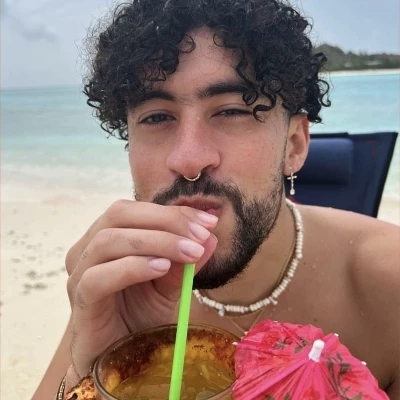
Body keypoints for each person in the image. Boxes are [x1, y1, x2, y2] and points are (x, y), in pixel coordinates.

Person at [32, 0, 399, 398]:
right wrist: (94, 375)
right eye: (157, 117)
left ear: (294, 144)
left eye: (231, 111)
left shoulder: (388, 282)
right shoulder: (126, 282)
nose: (189, 160)